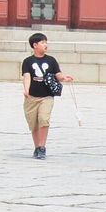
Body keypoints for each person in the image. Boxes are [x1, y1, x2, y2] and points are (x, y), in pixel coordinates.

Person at [22, 32, 75, 160]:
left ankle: (42, 147)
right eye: (43, 42)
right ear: (35, 45)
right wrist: (26, 90)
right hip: (31, 98)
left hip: (47, 96)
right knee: (34, 124)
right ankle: (37, 147)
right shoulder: (27, 61)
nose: (46, 45)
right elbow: (27, 76)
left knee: (44, 120)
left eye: (46, 42)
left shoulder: (51, 60)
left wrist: (64, 78)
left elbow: (58, 74)